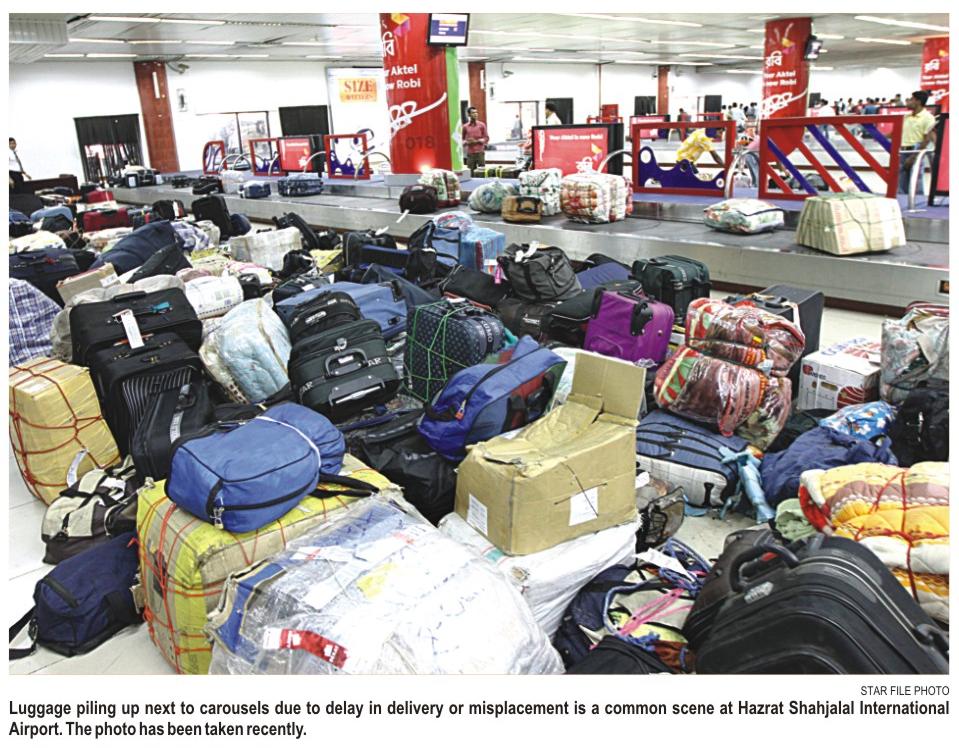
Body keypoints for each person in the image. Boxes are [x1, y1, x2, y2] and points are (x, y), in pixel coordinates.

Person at [899, 89, 937, 195]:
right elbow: (896, 133)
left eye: (911, 99)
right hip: (902, 150)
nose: (908, 101)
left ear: (918, 101)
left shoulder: (928, 118)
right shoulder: (906, 117)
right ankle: (902, 200)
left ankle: (918, 200)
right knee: (901, 182)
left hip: (916, 149)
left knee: (915, 180)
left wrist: (913, 157)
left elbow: (926, 139)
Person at [461, 106, 490, 173]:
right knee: (470, 173)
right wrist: (467, 142)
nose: (475, 114)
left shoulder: (482, 125)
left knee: (481, 173)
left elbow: (486, 138)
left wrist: (476, 141)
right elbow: (462, 140)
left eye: (476, 112)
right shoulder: (465, 127)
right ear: (469, 115)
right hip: (470, 154)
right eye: (473, 113)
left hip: (480, 153)